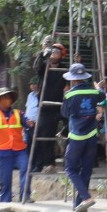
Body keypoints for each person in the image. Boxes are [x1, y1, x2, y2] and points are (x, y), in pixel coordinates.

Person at [60, 65, 102, 212]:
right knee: (86, 170)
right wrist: (98, 88)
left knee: (70, 169)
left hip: (76, 136)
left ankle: (85, 197)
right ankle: (80, 204)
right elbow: (102, 98)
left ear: (73, 79)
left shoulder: (69, 95)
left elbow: (65, 114)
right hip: (91, 136)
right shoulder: (94, 91)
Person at [30, 41, 69, 171]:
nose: (54, 54)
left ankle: (70, 162)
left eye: (57, 52)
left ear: (61, 55)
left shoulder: (64, 69)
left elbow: (70, 83)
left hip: (61, 105)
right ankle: (46, 163)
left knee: (74, 130)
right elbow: (36, 67)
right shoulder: (44, 67)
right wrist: (43, 52)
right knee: (44, 135)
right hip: (46, 107)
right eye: (52, 51)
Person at [0, 89, 28, 203]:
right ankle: (5, 201)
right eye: (4, 97)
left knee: (26, 169)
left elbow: (27, 123)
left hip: (19, 149)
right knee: (5, 179)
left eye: (8, 97)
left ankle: (25, 196)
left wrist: (29, 123)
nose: (7, 100)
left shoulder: (18, 113)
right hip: (2, 150)